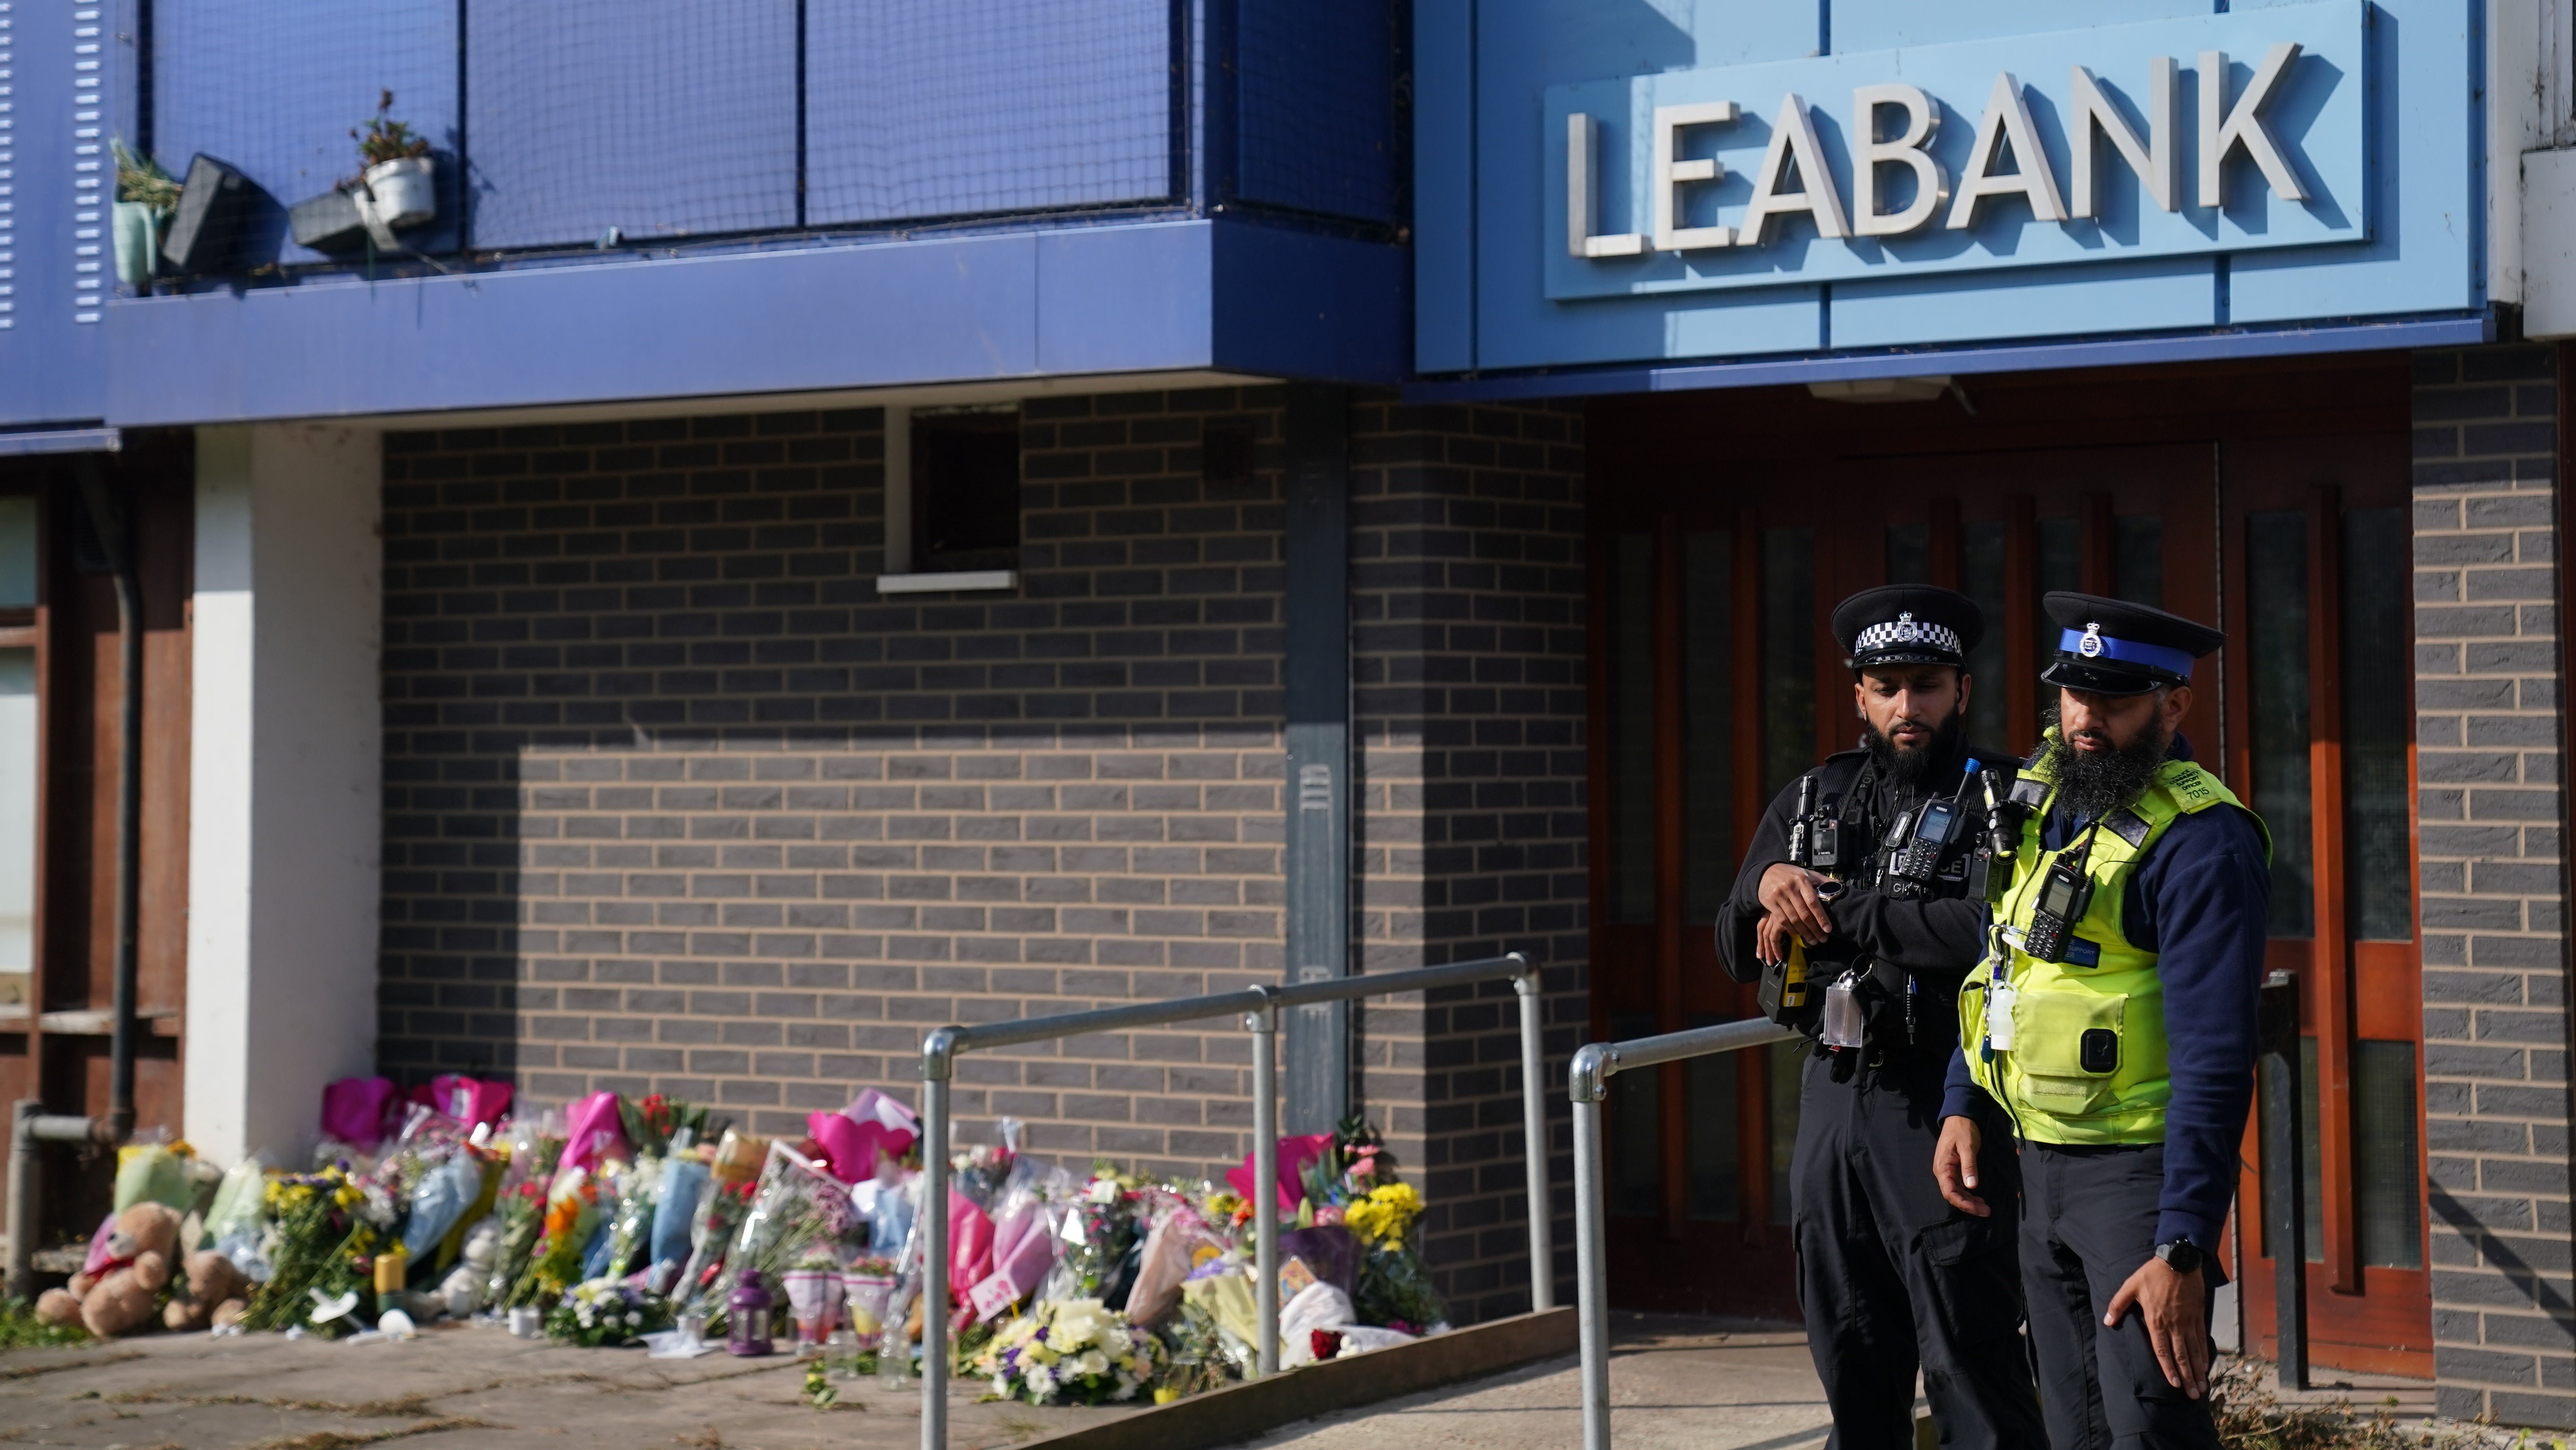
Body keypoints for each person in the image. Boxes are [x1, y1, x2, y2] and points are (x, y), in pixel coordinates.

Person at [1932, 592, 2271, 1450]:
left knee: (2152, 1424)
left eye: (2116, 700)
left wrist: (2185, 1246)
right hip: (2037, 1167)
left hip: (2137, 1184)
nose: (2086, 719)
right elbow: (2002, 956)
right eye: (2074, 696)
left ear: (2175, 705)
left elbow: (2217, 1058)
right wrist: (1964, 1100)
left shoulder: (2202, 842)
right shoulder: (2041, 798)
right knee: (2075, 1426)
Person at [1716, 584, 2044, 1450]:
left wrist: (1852, 911)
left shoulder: (2008, 801)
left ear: (1962, 691)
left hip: (1947, 1096)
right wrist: (1765, 888)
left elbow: (1992, 932)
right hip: (1832, 1094)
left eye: (1928, 685)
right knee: (1852, 1354)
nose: (1909, 706)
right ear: (1858, 695)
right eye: (1887, 687)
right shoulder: (1815, 796)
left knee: (1971, 1361)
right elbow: (1728, 937)